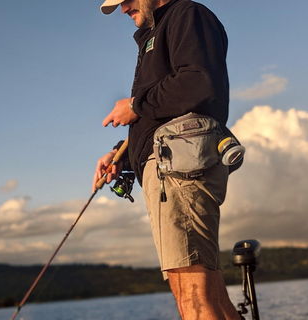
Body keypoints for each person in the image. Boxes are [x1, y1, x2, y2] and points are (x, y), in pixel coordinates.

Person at [93, 0, 242, 319]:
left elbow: (199, 83)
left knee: (194, 299)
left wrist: (135, 103)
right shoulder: (156, 30)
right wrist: (124, 155)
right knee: (209, 295)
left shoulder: (186, 15)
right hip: (169, 165)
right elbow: (161, 113)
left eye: (125, 0)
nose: (122, 9)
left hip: (178, 169)